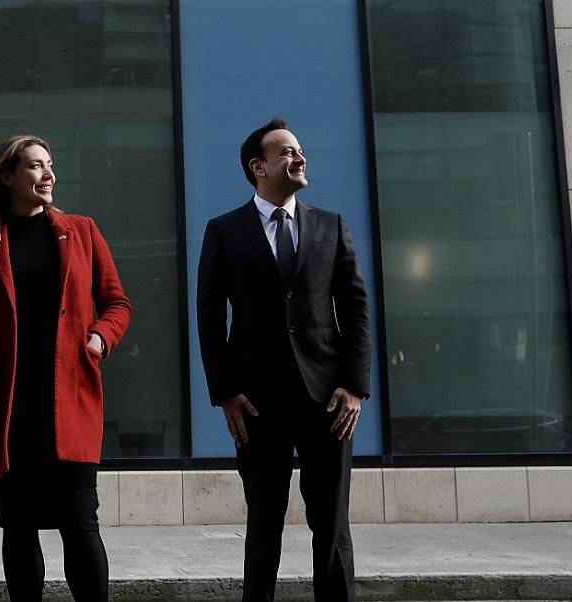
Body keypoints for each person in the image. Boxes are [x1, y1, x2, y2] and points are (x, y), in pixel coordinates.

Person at [0, 135, 131, 602]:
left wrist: (100, 338)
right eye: (36, 167)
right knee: (19, 525)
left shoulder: (81, 231)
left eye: (51, 165)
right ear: (8, 176)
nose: (48, 175)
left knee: (80, 522)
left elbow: (117, 303)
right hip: (10, 408)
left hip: (71, 400)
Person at [196, 118, 371, 602]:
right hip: (256, 401)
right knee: (264, 522)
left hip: (329, 400)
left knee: (332, 524)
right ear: (259, 166)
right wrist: (225, 393)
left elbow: (355, 308)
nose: (300, 158)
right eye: (288, 152)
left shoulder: (330, 226)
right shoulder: (224, 231)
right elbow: (209, 317)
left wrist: (355, 385)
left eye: (300, 150)